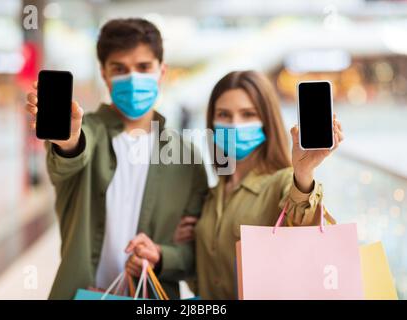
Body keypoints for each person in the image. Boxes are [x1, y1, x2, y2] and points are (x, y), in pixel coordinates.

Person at [25, 18, 208, 299]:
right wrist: (67, 140)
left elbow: (193, 254)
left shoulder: (187, 157)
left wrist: (161, 255)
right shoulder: (87, 132)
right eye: (119, 69)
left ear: (162, 71)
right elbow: (71, 154)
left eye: (144, 67)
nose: (132, 78)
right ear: (104, 74)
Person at [143, 70, 344, 299]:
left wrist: (304, 172)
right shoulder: (212, 196)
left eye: (248, 114)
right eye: (224, 114)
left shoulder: (284, 181)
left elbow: (304, 228)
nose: (235, 124)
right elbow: (203, 285)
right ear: (212, 122)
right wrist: (184, 246)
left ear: (267, 121)